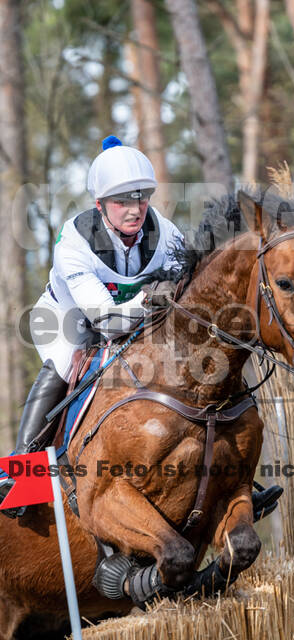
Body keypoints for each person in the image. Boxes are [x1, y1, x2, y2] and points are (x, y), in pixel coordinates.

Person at [0, 135, 182, 517]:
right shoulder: (74, 242)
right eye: (122, 202)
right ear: (99, 205)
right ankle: (21, 470)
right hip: (68, 320)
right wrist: (150, 298)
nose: (135, 210)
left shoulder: (166, 234)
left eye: (141, 198)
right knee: (67, 363)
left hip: (136, 322)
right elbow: (106, 320)